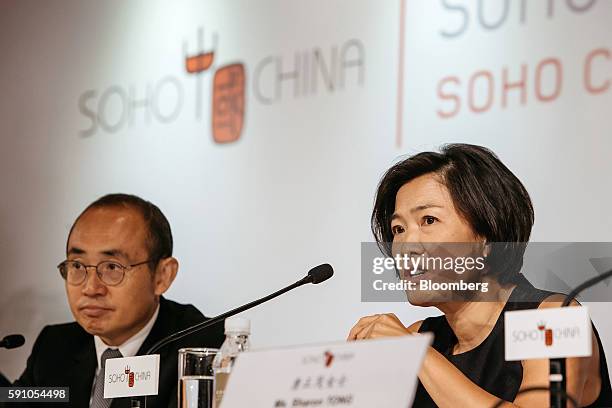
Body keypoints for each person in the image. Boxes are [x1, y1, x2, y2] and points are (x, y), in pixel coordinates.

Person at [348, 144, 612, 407]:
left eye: (428, 220)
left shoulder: (553, 318)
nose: (405, 246)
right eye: (398, 229)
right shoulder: (422, 336)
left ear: (486, 238)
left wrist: (420, 356)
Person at [12, 194, 224, 408]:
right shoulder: (55, 346)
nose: (91, 288)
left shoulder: (203, 351)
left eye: (112, 267)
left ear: (162, 276)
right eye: (77, 266)